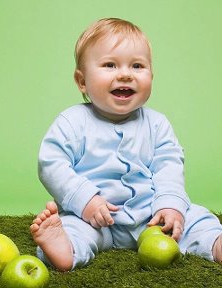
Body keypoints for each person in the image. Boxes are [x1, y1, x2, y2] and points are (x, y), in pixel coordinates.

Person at [30, 18, 222, 271]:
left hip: (152, 216)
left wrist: (169, 204)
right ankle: (63, 250)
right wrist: (86, 200)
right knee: (74, 230)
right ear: (82, 81)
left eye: (137, 66)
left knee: (195, 218)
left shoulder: (157, 124)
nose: (125, 74)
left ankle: (216, 242)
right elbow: (51, 164)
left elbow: (169, 166)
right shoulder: (72, 122)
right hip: (95, 220)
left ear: (151, 76)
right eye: (109, 65)